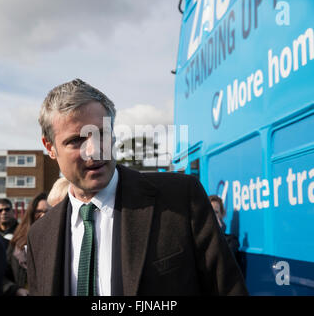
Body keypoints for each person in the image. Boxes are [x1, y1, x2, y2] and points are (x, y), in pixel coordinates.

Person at [27, 79, 248, 296]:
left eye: (101, 134)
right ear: (50, 147)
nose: (94, 150)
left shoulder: (180, 199)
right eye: (76, 140)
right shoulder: (39, 236)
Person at [3, 193, 50, 296]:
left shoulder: (61, 241)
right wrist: (16, 290)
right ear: (31, 214)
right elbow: (2, 274)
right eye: (38, 211)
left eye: (48, 211)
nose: (43, 215)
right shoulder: (17, 242)